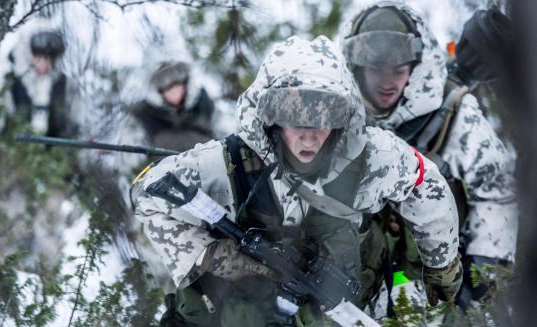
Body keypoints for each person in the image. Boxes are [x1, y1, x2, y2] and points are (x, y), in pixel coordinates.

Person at [132, 36, 461, 326]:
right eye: (293, 113)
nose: (309, 135)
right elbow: (148, 193)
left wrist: (442, 264)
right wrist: (215, 255)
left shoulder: (371, 155)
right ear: (270, 115)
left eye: (325, 113)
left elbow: (424, 183)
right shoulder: (230, 162)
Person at [340, 1, 518, 310]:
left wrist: (482, 274)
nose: (387, 83)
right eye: (377, 69)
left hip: (439, 267)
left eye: (398, 70)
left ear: (414, 65)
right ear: (357, 66)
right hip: (356, 266)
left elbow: (497, 193)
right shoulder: (334, 109)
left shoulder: (451, 111)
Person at [129, 61, 215, 152]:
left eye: (177, 84)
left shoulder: (203, 103)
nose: (173, 91)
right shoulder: (143, 113)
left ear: (186, 83)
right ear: (159, 92)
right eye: (167, 88)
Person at [6, 19, 72, 137]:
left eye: (51, 59)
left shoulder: (61, 84)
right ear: (29, 55)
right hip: (12, 150)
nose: (46, 64)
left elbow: (71, 125)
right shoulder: (11, 82)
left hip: (53, 152)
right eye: (42, 57)